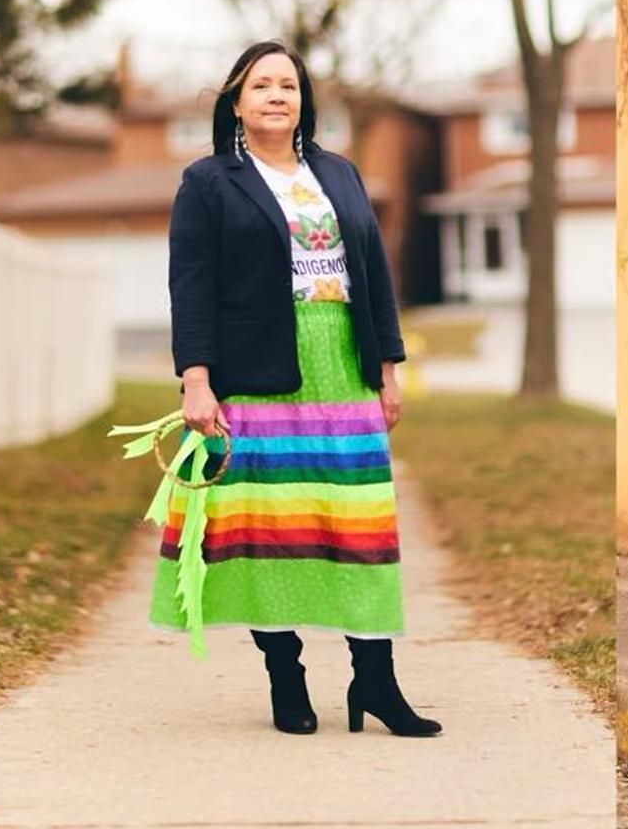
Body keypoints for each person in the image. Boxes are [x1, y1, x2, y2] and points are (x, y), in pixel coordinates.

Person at [156, 40, 440, 737]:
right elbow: (190, 287)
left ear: (305, 101)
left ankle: (375, 678)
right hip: (256, 378)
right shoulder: (209, 182)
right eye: (262, 86)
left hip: (342, 364)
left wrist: (389, 366)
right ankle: (286, 676)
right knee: (271, 530)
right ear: (237, 101)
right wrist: (197, 380)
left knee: (361, 525)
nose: (277, 96)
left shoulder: (339, 174)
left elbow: (372, 272)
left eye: (289, 85)